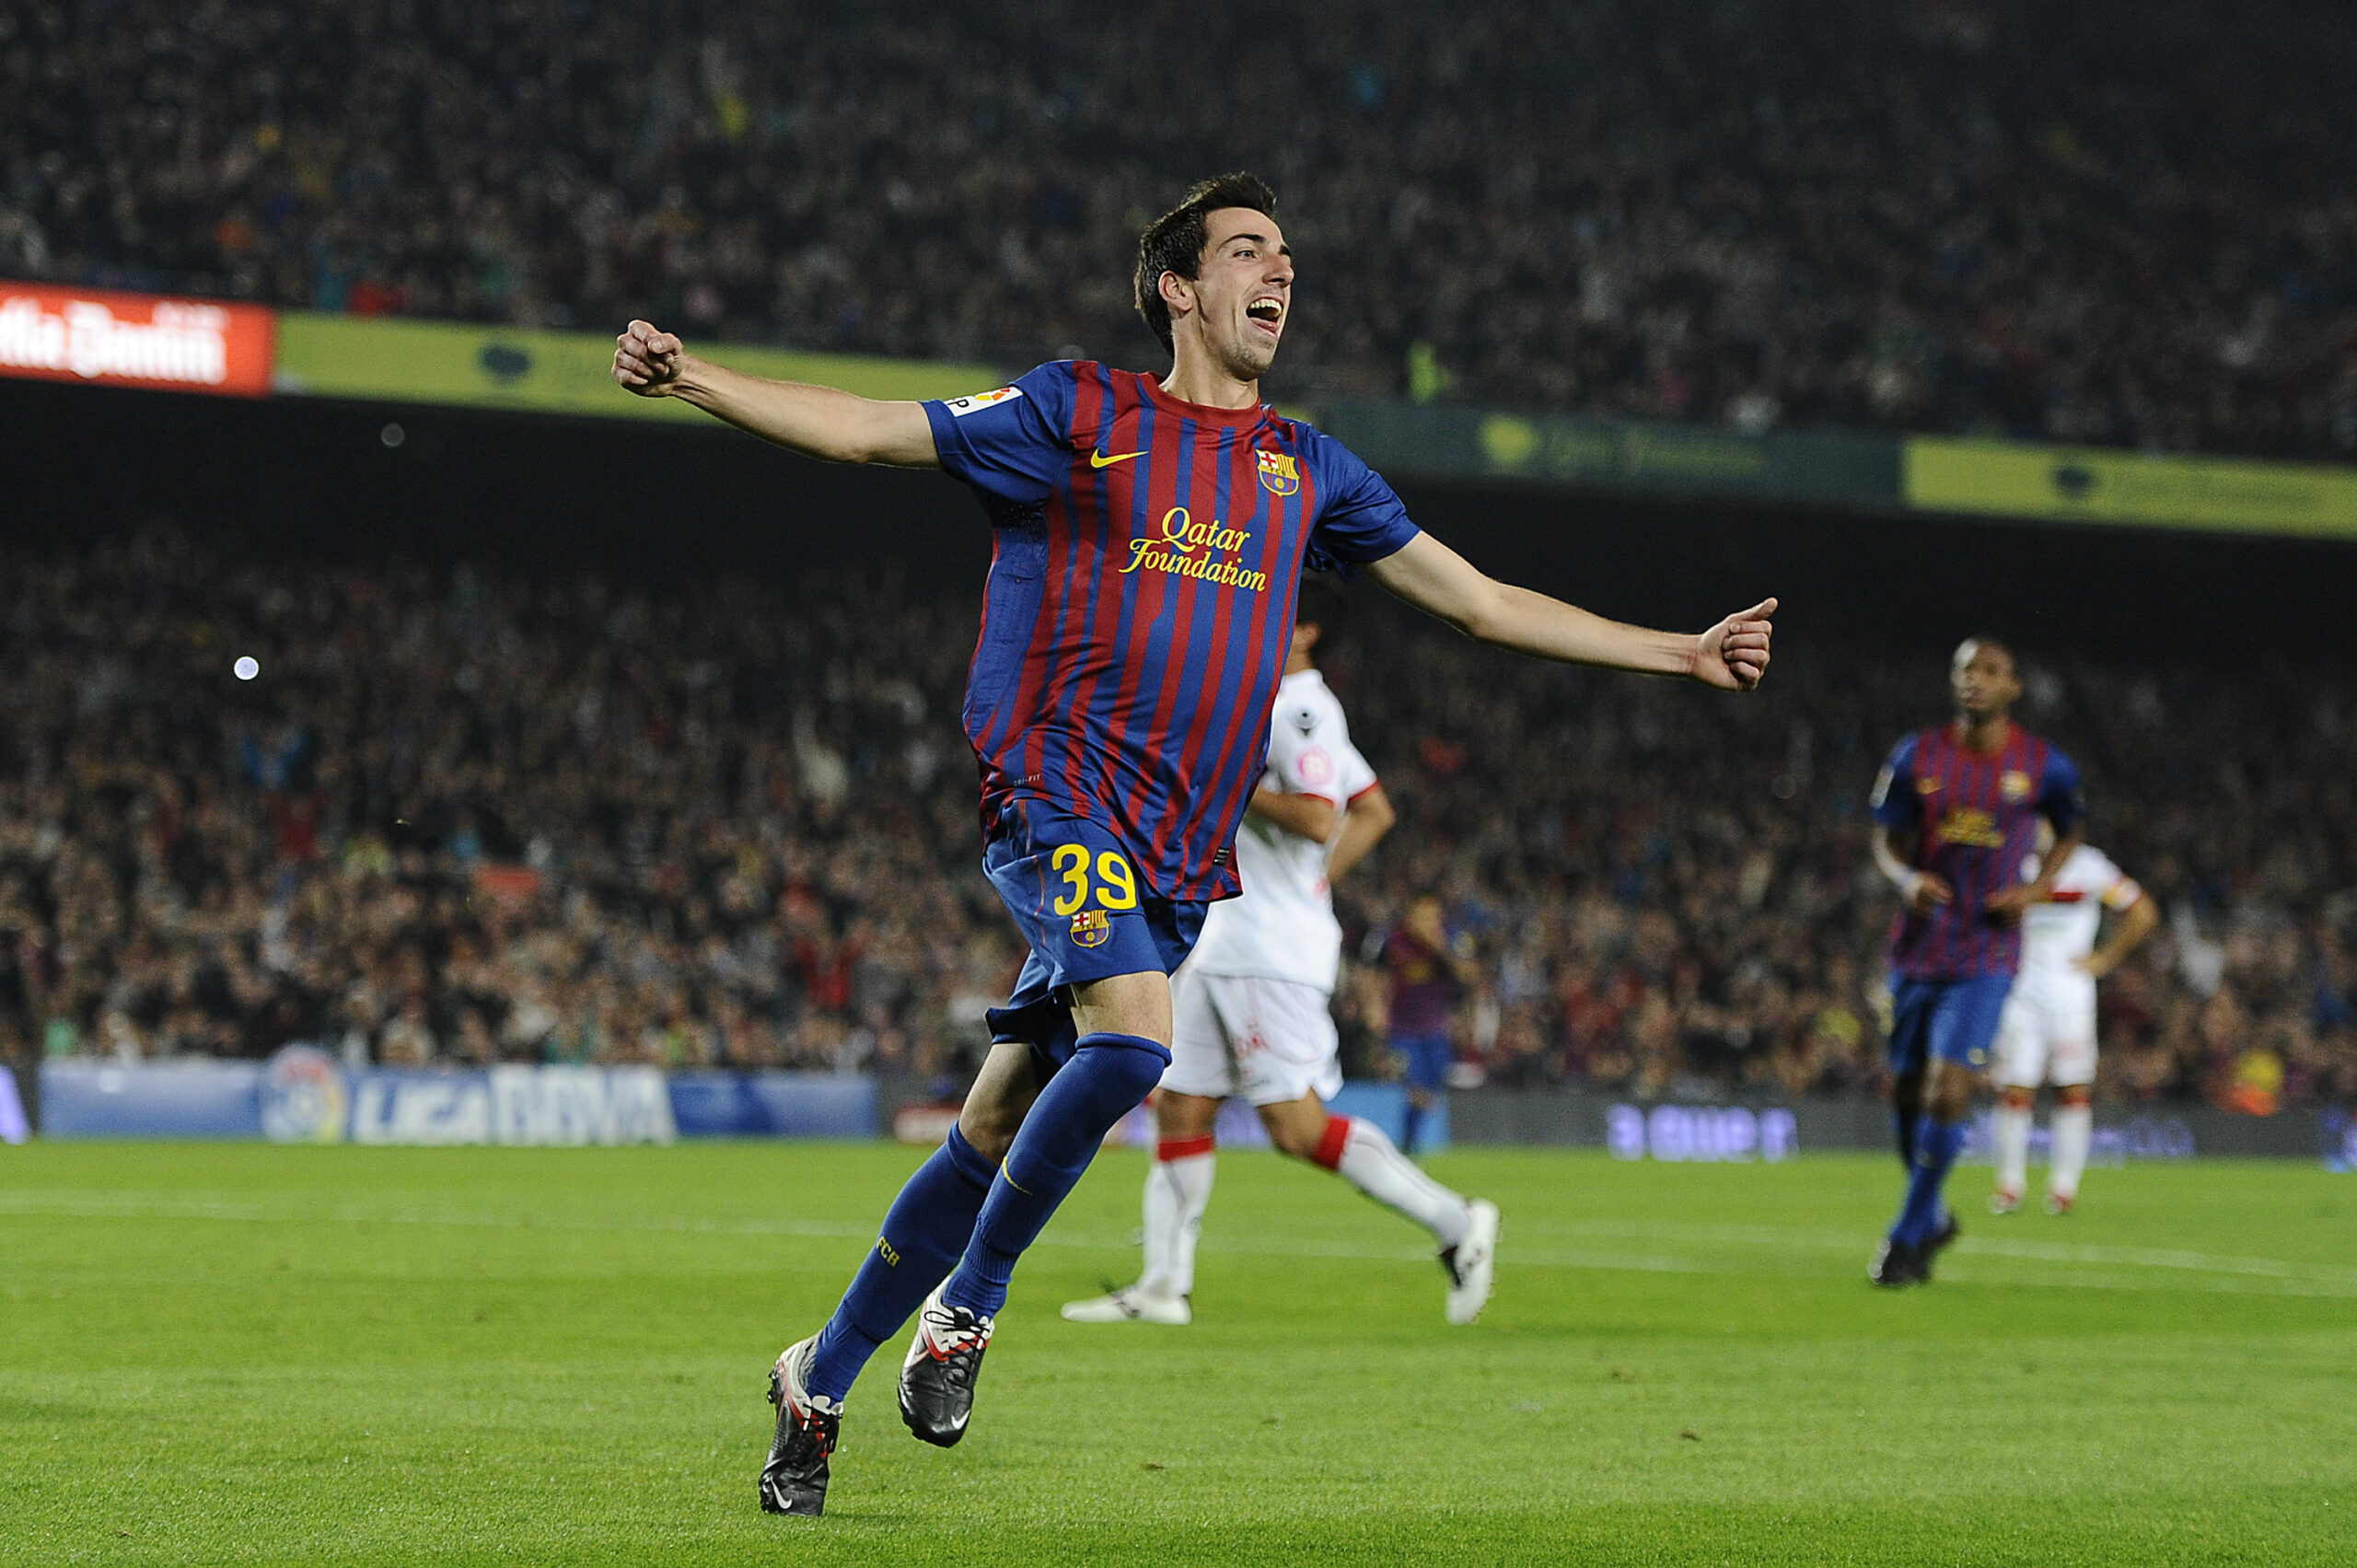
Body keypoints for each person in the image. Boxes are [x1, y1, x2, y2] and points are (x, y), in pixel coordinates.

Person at [613, 171, 1778, 1517]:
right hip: (1059, 793)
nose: (1277, 273)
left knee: (995, 1120)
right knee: (1135, 1042)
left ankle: (816, 1379)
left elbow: (1480, 601)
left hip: (1176, 851)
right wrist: (698, 378)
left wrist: (1678, 650)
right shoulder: (1078, 411)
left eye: (1287, 254)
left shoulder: (1307, 467)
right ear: (1179, 284)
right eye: (1245, 250)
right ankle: (965, 1315)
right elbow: (875, 430)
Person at [1060, 579, 1501, 1330]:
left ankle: (1457, 1221)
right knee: (1182, 1104)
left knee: (1295, 1127)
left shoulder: (1300, 708)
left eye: (1278, 610)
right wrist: (1316, 882)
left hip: (1267, 953)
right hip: (1231, 938)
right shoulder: (1277, 700)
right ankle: (1164, 1286)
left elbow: (1317, 812)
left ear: (1306, 630)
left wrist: (1228, 790)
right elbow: (1374, 807)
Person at [1866, 638, 2083, 1286]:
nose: (1975, 681)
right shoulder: (1917, 755)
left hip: (1987, 950)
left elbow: (2070, 828)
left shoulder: (2043, 766)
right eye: (1965, 670)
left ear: (2014, 686)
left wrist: (2037, 887)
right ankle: (1931, 1214)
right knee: (1908, 1091)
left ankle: (1905, 1237)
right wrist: (1904, 878)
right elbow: (1886, 838)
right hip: (1917, 947)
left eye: (1990, 671)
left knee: (1949, 1087)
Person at [1988, 825, 2156, 1215]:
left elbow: (2143, 912)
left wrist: (2106, 958)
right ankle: (2010, 1186)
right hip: (2020, 994)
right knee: (2015, 1089)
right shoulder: (2012, 862)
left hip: (2071, 997)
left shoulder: (2089, 866)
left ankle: (2063, 1188)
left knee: (2073, 1089)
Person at [1381, 893, 1480, 1155]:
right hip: (1402, 1029)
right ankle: (1408, 1148)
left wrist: (1437, 947)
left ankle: (1408, 1146)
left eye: (1432, 916)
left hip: (1436, 1030)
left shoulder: (1451, 938)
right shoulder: (1394, 940)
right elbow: (1375, 976)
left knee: (1428, 1094)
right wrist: (1375, 1011)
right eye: (1421, 915)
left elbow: (1468, 974)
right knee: (1417, 1091)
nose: (1426, 922)